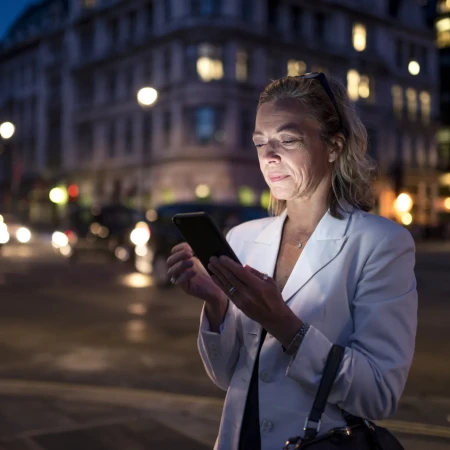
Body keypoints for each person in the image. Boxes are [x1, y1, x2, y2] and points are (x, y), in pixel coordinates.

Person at [167, 73, 417, 450]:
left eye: (287, 140)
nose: (269, 156)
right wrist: (216, 303)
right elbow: (228, 377)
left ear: (333, 146)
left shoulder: (381, 243)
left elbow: (378, 394)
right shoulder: (243, 238)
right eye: (259, 142)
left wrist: (284, 324)